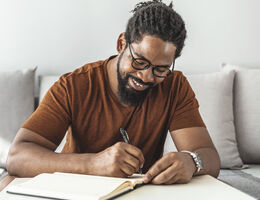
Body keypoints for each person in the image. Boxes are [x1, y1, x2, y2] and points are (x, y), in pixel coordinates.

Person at [6, 0, 220, 185]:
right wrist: (93, 163)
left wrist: (193, 162)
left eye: (161, 69)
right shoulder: (73, 86)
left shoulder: (175, 86)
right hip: (75, 189)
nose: (147, 77)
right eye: (139, 61)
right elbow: (17, 157)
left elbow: (209, 155)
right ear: (121, 44)